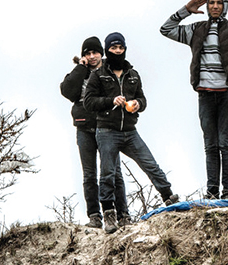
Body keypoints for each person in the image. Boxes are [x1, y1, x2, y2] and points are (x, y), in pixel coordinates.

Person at [160, 0, 228, 200]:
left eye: (219, 2)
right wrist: (186, 10)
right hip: (205, 94)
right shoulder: (197, 29)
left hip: (227, 94)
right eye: (211, 2)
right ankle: (212, 193)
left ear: (224, 6)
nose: (214, 6)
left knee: (225, 143)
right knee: (210, 144)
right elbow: (166, 29)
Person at [84, 32, 178, 233]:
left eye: (120, 48)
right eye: (113, 48)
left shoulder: (133, 75)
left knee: (150, 164)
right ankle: (109, 215)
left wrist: (137, 104)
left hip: (129, 131)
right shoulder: (98, 75)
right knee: (107, 173)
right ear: (107, 50)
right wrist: (111, 101)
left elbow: (143, 99)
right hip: (106, 131)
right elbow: (89, 102)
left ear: (124, 49)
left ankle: (168, 197)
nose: (117, 51)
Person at [60, 36, 130, 229]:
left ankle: (123, 214)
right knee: (89, 174)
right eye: (87, 53)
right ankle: (94, 216)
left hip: (107, 126)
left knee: (114, 172)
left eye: (95, 52)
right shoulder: (80, 72)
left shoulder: (109, 70)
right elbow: (67, 91)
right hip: (84, 128)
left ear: (102, 53)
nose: (92, 56)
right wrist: (80, 68)